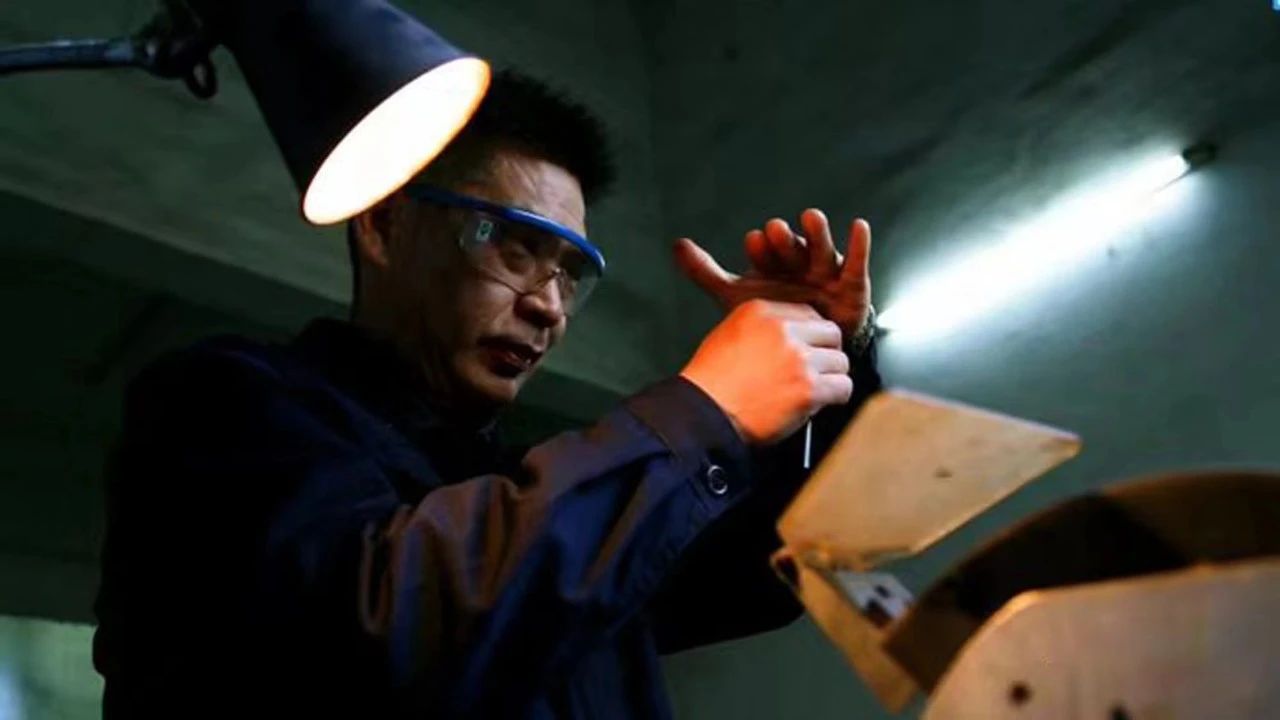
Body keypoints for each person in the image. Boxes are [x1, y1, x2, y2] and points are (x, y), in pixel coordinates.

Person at [92, 69, 882, 719]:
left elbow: (782, 567)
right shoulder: (222, 407)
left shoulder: (525, 495)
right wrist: (702, 412)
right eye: (515, 248)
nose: (549, 306)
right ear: (384, 225)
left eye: (570, 273)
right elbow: (375, 632)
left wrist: (831, 365)